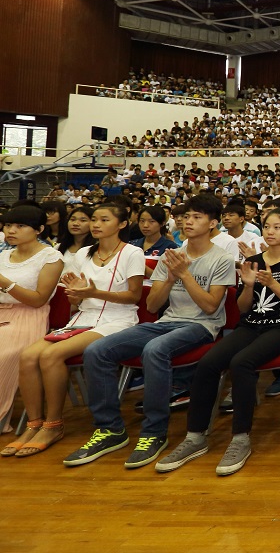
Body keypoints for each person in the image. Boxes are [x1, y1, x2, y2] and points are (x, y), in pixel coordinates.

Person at [63, 194, 236, 469]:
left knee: (155, 350)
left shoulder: (222, 258)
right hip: (165, 321)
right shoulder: (172, 257)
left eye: (197, 217)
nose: (188, 222)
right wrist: (169, 277)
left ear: (213, 223)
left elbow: (211, 307)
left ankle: (154, 432)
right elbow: (154, 305)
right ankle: (110, 429)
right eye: (186, 217)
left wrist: (185, 275)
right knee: (97, 350)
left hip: (201, 326)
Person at [158, 208, 280, 476]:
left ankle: (240, 438)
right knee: (208, 363)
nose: (271, 231)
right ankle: (195, 436)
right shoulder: (251, 260)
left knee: (242, 363)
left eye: (277, 227)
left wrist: (273, 284)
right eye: (267, 226)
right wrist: (250, 285)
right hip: (251, 325)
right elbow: (242, 308)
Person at [10, 202, 144, 458]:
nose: (96, 224)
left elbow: (134, 296)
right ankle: (33, 424)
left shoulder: (131, 253)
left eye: (104, 220)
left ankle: (53, 424)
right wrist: (76, 295)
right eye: (94, 219)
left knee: (50, 355)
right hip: (84, 317)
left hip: (117, 320)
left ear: (122, 224)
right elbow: (77, 300)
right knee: (28, 356)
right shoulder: (83, 253)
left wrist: (94, 292)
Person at [0, 207, 65, 447]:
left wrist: (6, 284)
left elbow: (39, 299)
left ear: (38, 230)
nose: (11, 230)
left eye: (19, 226)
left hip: (29, 315)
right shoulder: (3, 256)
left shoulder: (50, 257)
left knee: (3, 354)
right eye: (7, 225)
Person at [131, 205, 179, 287]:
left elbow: (169, 279)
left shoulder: (170, 247)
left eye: (151, 221)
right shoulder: (132, 245)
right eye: (142, 221)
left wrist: (142, 267)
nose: (145, 225)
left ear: (162, 223)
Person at [58, 207, 95, 276]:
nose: (75, 223)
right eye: (72, 219)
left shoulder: (95, 249)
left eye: (83, 220)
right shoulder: (59, 247)